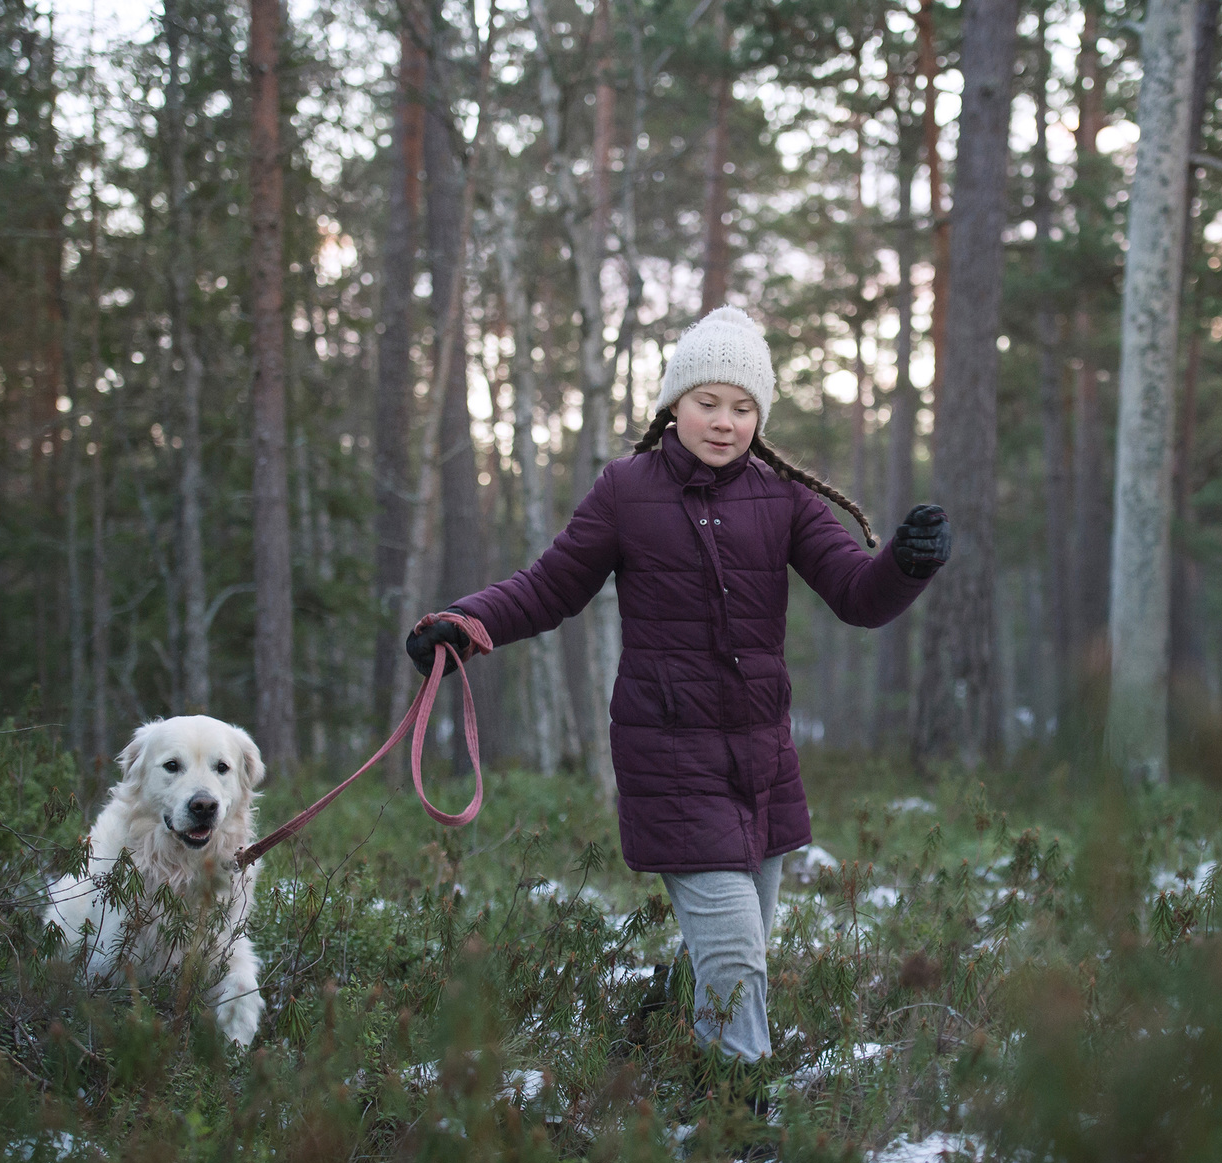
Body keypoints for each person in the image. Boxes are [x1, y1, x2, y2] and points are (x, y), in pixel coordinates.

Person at [407, 305, 950, 1066]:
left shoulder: (783, 497)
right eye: (707, 402)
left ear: (760, 417)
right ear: (673, 403)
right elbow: (549, 587)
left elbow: (859, 596)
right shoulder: (626, 490)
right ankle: (740, 1105)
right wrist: (466, 622)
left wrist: (906, 563)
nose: (724, 422)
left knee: (734, 952)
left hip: (762, 763)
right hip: (670, 760)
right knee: (735, 954)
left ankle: (669, 1042)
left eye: (743, 408)